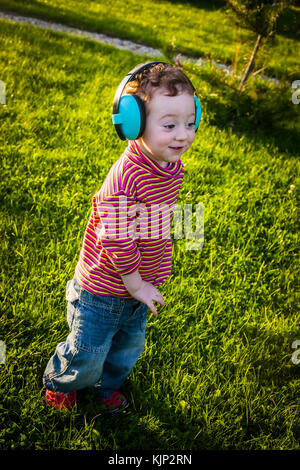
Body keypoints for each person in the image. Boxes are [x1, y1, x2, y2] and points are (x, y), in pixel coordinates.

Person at [42, 61, 201, 412]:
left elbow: (156, 223)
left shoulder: (173, 168)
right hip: (103, 289)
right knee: (89, 349)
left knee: (128, 347)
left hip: (139, 285)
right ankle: (62, 380)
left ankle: (106, 388)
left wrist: (155, 270)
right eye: (170, 125)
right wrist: (135, 284)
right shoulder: (125, 177)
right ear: (134, 124)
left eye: (190, 123)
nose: (183, 135)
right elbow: (116, 238)